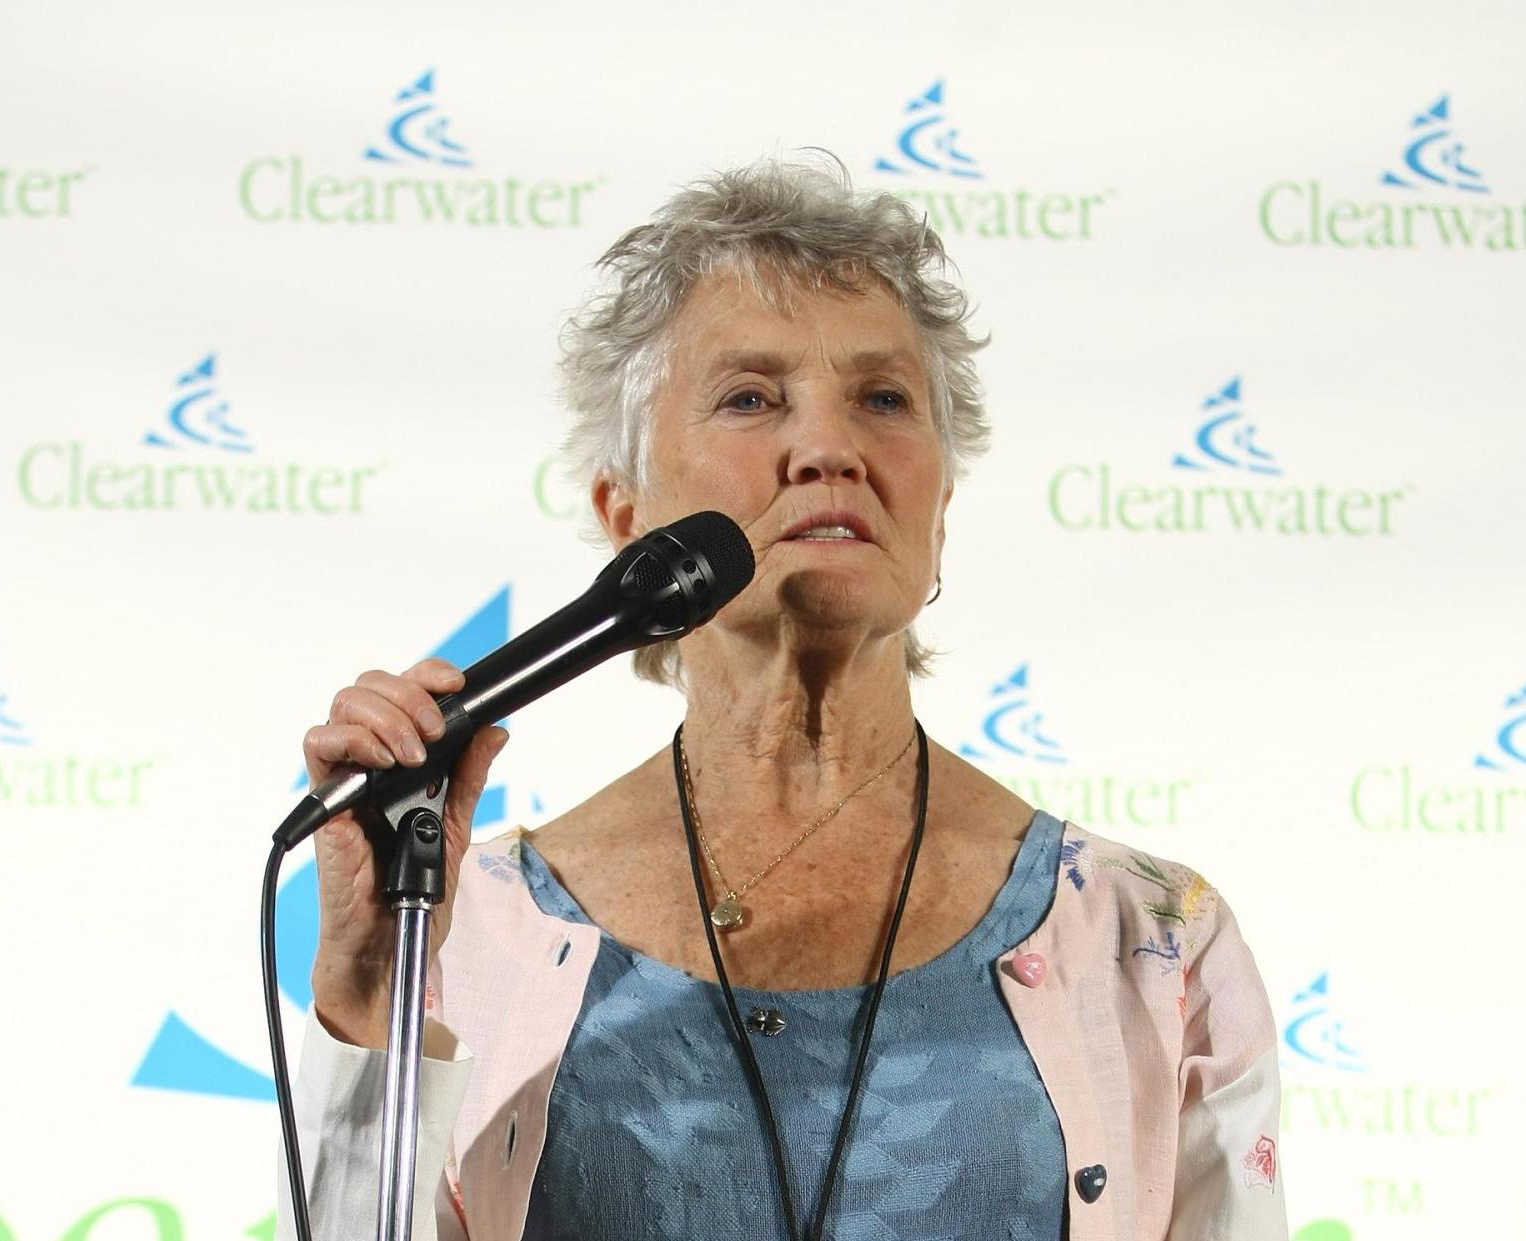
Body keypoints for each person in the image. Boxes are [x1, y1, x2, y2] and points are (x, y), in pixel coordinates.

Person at [280, 157, 1289, 1240]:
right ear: (626, 514)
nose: (827, 449)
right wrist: (372, 1002)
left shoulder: (1149, 939)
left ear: (938, 505)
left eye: (883, 399)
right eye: (750, 397)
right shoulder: (466, 931)